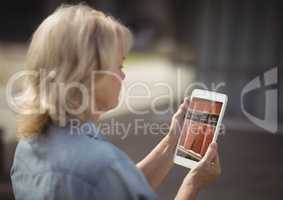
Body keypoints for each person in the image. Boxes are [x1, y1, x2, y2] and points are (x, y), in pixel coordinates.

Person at [10, 4, 221, 200]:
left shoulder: (30, 143)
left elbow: (114, 189)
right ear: (89, 74)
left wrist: (172, 142)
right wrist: (193, 184)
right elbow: (107, 179)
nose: (123, 76)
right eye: (119, 66)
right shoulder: (102, 165)